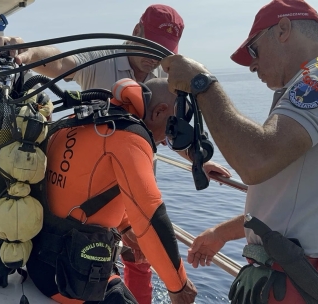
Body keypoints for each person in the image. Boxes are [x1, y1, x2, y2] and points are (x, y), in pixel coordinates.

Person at [0, 4, 231, 303]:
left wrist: (198, 160)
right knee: (143, 236)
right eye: (151, 45)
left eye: (163, 51)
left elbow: (165, 126)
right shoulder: (105, 73)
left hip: (48, 257)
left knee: (138, 249)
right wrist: (22, 51)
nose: (154, 56)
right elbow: (58, 62)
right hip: (72, 272)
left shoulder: (154, 79)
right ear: (136, 33)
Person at [159, 0, 318, 303]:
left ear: (283, 29)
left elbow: (256, 161)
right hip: (298, 274)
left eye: (253, 51)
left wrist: (203, 86)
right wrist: (221, 233)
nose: (252, 65)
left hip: (297, 280)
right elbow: (290, 203)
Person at [27, 77, 197, 303]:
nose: (166, 142)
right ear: (159, 111)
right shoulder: (129, 135)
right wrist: (179, 286)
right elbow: (150, 216)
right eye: (171, 131)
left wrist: (125, 225)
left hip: (40, 265)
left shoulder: (77, 120)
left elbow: (80, 188)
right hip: (72, 282)